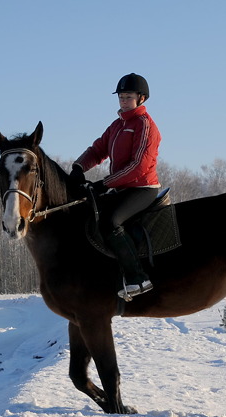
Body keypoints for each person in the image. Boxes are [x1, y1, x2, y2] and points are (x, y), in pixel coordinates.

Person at [70, 73, 162, 299]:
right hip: (121, 188)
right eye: (121, 96)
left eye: (128, 96)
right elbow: (98, 149)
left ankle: (138, 278)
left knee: (112, 222)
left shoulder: (145, 125)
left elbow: (138, 166)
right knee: (91, 214)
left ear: (141, 98)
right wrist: (79, 167)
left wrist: (104, 183)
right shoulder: (117, 125)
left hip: (143, 189)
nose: (123, 100)